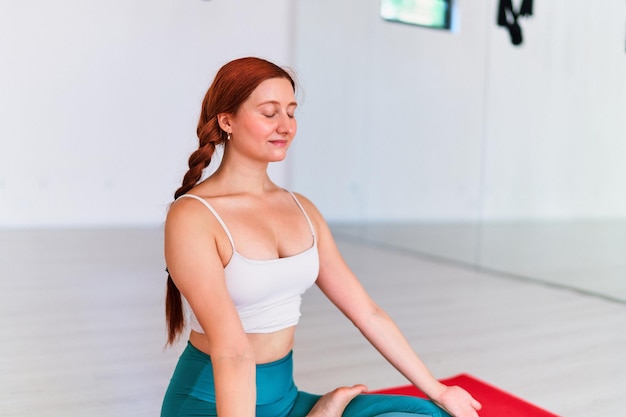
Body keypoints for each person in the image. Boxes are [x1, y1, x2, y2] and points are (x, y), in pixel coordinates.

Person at [161, 57, 482, 417]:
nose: (285, 126)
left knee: (434, 415)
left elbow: (368, 313)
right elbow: (232, 352)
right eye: (269, 113)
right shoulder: (193, 216)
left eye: (291, 112)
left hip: (285, 400)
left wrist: (439, 391)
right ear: (227, 120)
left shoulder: (302, 209)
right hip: (214, 403)